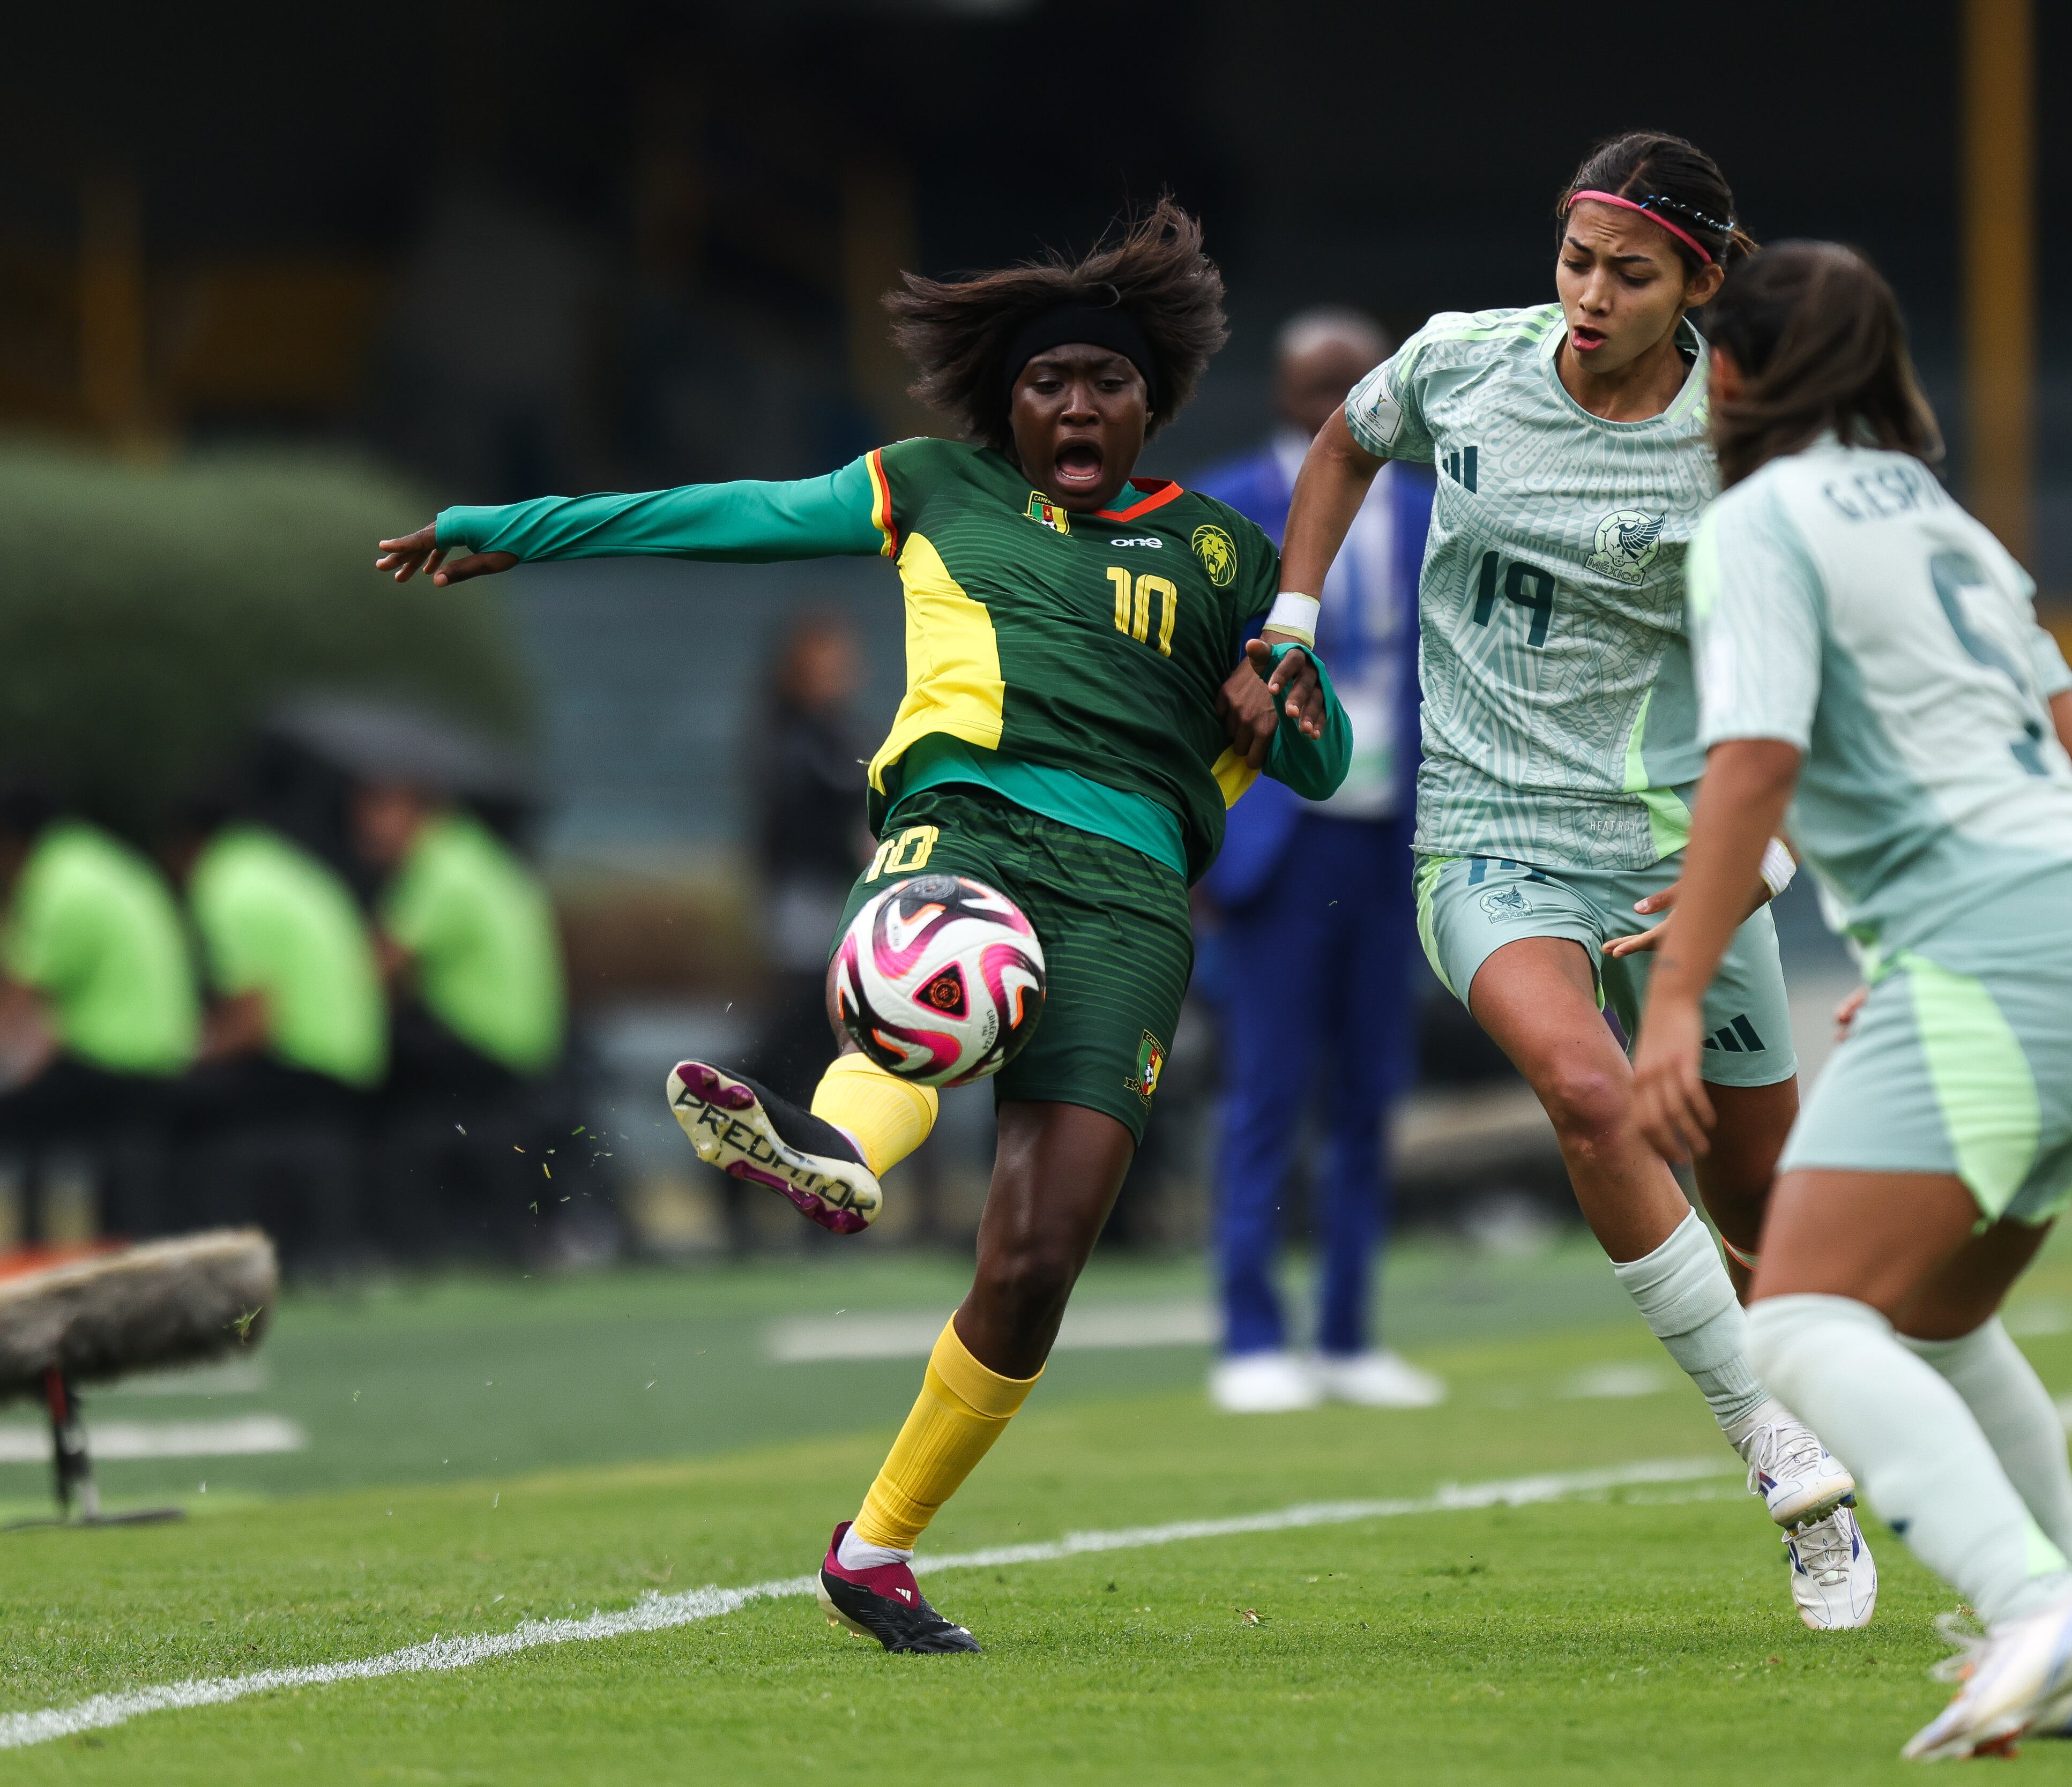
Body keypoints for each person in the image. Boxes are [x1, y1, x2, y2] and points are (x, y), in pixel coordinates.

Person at [375, 200, 1347, 1654]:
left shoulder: (1220, 552)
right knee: (920, 972)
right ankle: (834, 1149)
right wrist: (513, 528)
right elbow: (733, 514)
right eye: (1045, 383)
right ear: (1004, 404)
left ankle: (874, 1546)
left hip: (1138, 898)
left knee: (1035, 1259)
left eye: (1105, 383)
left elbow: (1321, 767)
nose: (1075, 405)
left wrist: (1289, 700)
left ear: (1152, 400)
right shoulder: (933, 485)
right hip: (968, 830)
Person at [1276, 130, 1873, 1627]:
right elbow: (1347, 438)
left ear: (1701, 283)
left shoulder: (1753, 444)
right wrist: (1292, 613)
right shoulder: (1461, 364)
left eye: (1631, 271)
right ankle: (1777, 1451)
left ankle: (1846, 1407)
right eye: (1575, 259)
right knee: (1592, 1092)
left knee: (1768, 1214)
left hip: (1684, 859)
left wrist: (1762, 867)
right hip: (1488, 835)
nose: (1589, 295)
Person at [1624, 241, 2072, 1755]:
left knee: (1800, 1321)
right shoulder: (1943, 518)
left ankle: (2039, 1605)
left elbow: (1751, 762)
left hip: (2005, 951)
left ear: (1732, 370)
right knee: (1934, 1318)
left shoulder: (1760, 521)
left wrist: (1676, 1001)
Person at [1194, 309, 1437, 1414]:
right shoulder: (1228, 507)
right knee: (1266, 1092)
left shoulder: (1438, 506)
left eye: (1357, 385)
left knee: (1368, 1095)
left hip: (1396, 836)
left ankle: (1345, 1333)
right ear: (1283, 396)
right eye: (1316, 388)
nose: (1336, 408)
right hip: (1277, 844)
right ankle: (1251, 1332)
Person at [354, 780, 570, 1258]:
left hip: (481, 1045)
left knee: (354, 1065)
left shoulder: (438, 869)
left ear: (418, 809)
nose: (365, 826)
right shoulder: (482, 858)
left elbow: (377, 967)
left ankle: (384, 1238)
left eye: (377, 808)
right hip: (526, 1047)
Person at [169, 798, 388, 1267]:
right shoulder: (283, 868)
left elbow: (254, 1022)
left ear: (186, 847)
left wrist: (191, 1049)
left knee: (169, 1105)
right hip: (354, 1053)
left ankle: (208, 1262)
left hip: (301, 1059)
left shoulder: (224, 886)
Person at [0, 785, 198, 1240]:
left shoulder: (55, 884)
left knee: (15, 1118)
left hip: (115, 1056)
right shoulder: (97, 862)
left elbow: (19, 1002)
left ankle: (30, 1251)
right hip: (166, 1049)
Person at [741, 611, 875, 1104]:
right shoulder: (793, 740)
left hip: (839, 899)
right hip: (812, 901)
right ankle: (748, 1097)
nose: (841, 672)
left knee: (820, 1032)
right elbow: (799, 826)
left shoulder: (841, 732)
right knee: (805, 1024)